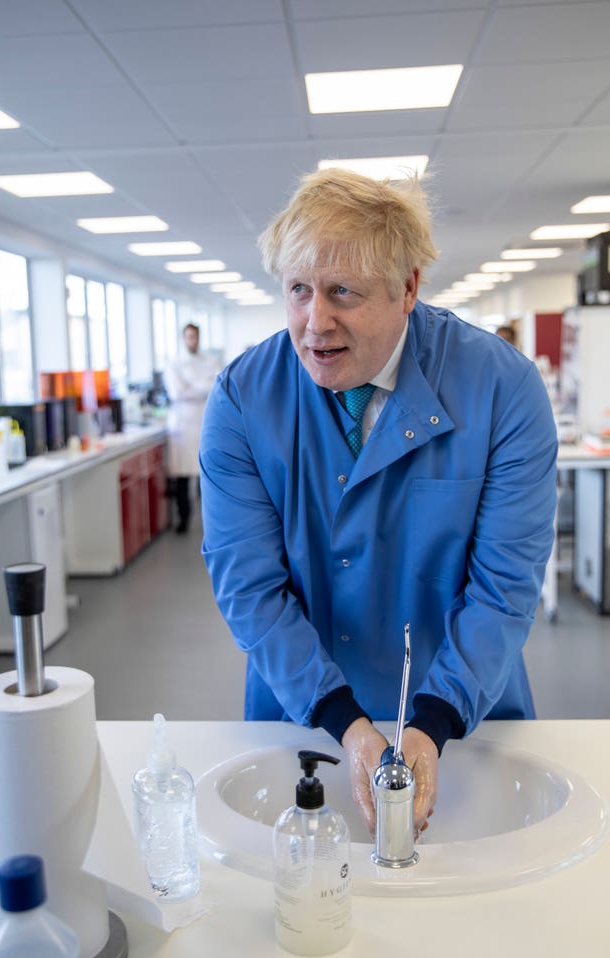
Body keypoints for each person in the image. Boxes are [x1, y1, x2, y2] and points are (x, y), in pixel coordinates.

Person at [199, 168, 557, 838]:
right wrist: (344, 719)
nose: (315, 323)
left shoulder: (503, 391)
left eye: (343, 292)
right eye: (298, 291)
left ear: (409, 289)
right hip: (303, 714)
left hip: (465, 715)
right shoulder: (244, 399)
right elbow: (247, 585)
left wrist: (434, 720)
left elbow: (505, 586)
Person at [164, 323, 220, 533]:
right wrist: (202, 387)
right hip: (183, 424)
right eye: (188, 337)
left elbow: (217, 385)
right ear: (183, 338)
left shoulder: (210, 361)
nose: (192, 341)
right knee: (182, 477)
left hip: (204, 420)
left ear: (199, 337)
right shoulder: (174, 364)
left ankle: (211, 522)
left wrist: (192, 387)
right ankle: (183, 520)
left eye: (195, 337)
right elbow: (177, 393)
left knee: (207, 474)